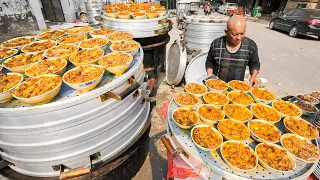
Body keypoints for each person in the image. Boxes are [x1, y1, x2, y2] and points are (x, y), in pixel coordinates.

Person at [205, 15, 260, 87]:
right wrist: (210, 77)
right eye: (235, 34)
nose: (239, 38)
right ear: (226, 32)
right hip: (217, 86)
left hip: (237, 88)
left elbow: (255, 63)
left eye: (242, 33)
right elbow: (209, 62)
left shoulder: (250, 45)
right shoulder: (216, 44)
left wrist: (253, 77)